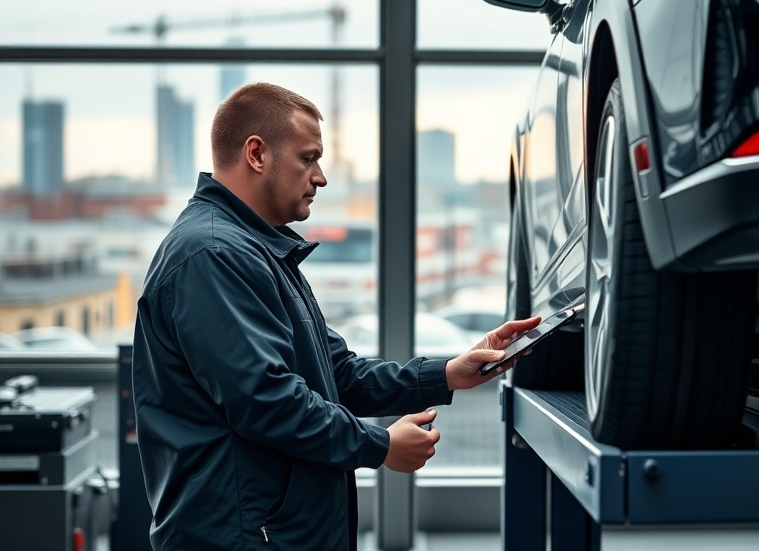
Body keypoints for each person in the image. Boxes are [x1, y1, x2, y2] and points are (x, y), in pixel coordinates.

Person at [132, 82, 541, 550]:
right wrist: (379, 445)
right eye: (308, 158)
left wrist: (447, 373)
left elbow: (335, 373)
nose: (321, 176)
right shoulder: (212, 254)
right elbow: (266, 401)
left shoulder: (256, 250)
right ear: (257, 154)